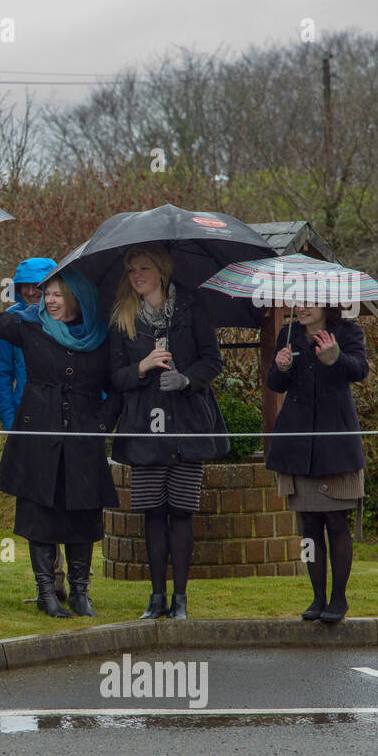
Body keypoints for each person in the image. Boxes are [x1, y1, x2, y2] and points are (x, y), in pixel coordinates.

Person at [0, 268, 120, 618]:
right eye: (48, 294)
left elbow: (116, 386)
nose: (49, 301)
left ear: (78, 297)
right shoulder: (32, 327)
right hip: (39, 437)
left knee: (82, 515)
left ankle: (81, 593)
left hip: (83, 441)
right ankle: (45, 593)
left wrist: (100, 425)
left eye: (57, 294)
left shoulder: (101, 335)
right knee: (40, 515)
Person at [108, 244, 228, 621]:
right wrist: (142, 367)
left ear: (161, 271)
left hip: (188, 423)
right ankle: (156, 597)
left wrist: (188, 379)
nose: (137, 276)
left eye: (144, 268)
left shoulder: (193, 308)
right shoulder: (122, 318)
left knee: (181, 511)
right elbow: (114, 377)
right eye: (131, 271)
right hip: (145, 426)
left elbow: (213, 359)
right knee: (152, 512)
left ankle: (180, 599)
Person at [266, 303, 368, 624]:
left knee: (336, 522)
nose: (301, 308)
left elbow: (359, 370)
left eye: (309, 301)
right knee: (309, 526)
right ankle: (317, 597)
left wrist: (335, 358)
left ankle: (339, 599)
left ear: (326, 303)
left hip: (335, 440)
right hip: (297, 444)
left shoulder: (348, 331)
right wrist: (280, 367)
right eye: (298, 301)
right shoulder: (289, 333)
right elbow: (275, 383)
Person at [0, 255, 67, 605]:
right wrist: (13, 426)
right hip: (30, 429)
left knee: (72, 504)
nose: (34, 293)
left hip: (70, 428)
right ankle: (49, 585)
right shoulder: (12, 324)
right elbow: (1, 377)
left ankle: (71, 583)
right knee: (37, 508)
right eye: (26, 287)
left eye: (40, 287)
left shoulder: (72, 319)